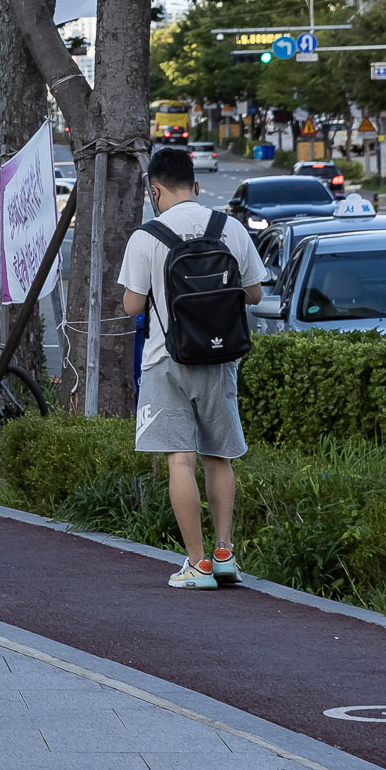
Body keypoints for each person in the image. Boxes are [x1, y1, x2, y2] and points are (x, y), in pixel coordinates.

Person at [118, 145, 267, 590]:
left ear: (155, 190)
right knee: (218, 456)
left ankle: (197, 564)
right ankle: (224, 555)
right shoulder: (230, 228)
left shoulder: (147, 236)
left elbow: (132, 306)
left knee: (179, 460)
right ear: (197, 187)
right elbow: (255, 294)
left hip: (168, 360)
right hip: (221, 359)